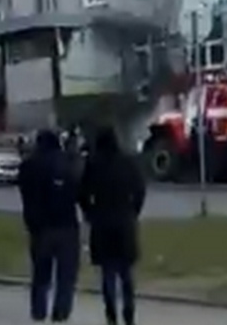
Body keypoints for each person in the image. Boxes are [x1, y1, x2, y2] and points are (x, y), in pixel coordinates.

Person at [78, 127, 147, 325]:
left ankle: (111, 314)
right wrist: (133, 211)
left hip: (101, 223)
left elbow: (82, 194)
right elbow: (140, 190)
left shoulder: (93, 165)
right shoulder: (128, 163)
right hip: (124, 222)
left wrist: (90, 213)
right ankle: (129, 312)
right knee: (126, 272)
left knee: (108, 272)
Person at [16, 129, 81, 323]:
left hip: (39, 228)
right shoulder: (66, 163)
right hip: (66, 225)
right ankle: (60, 313)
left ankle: (38, 312)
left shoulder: (29, 165)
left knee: (41, 275)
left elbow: (24, 191)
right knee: (66, 276)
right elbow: (78, 189)